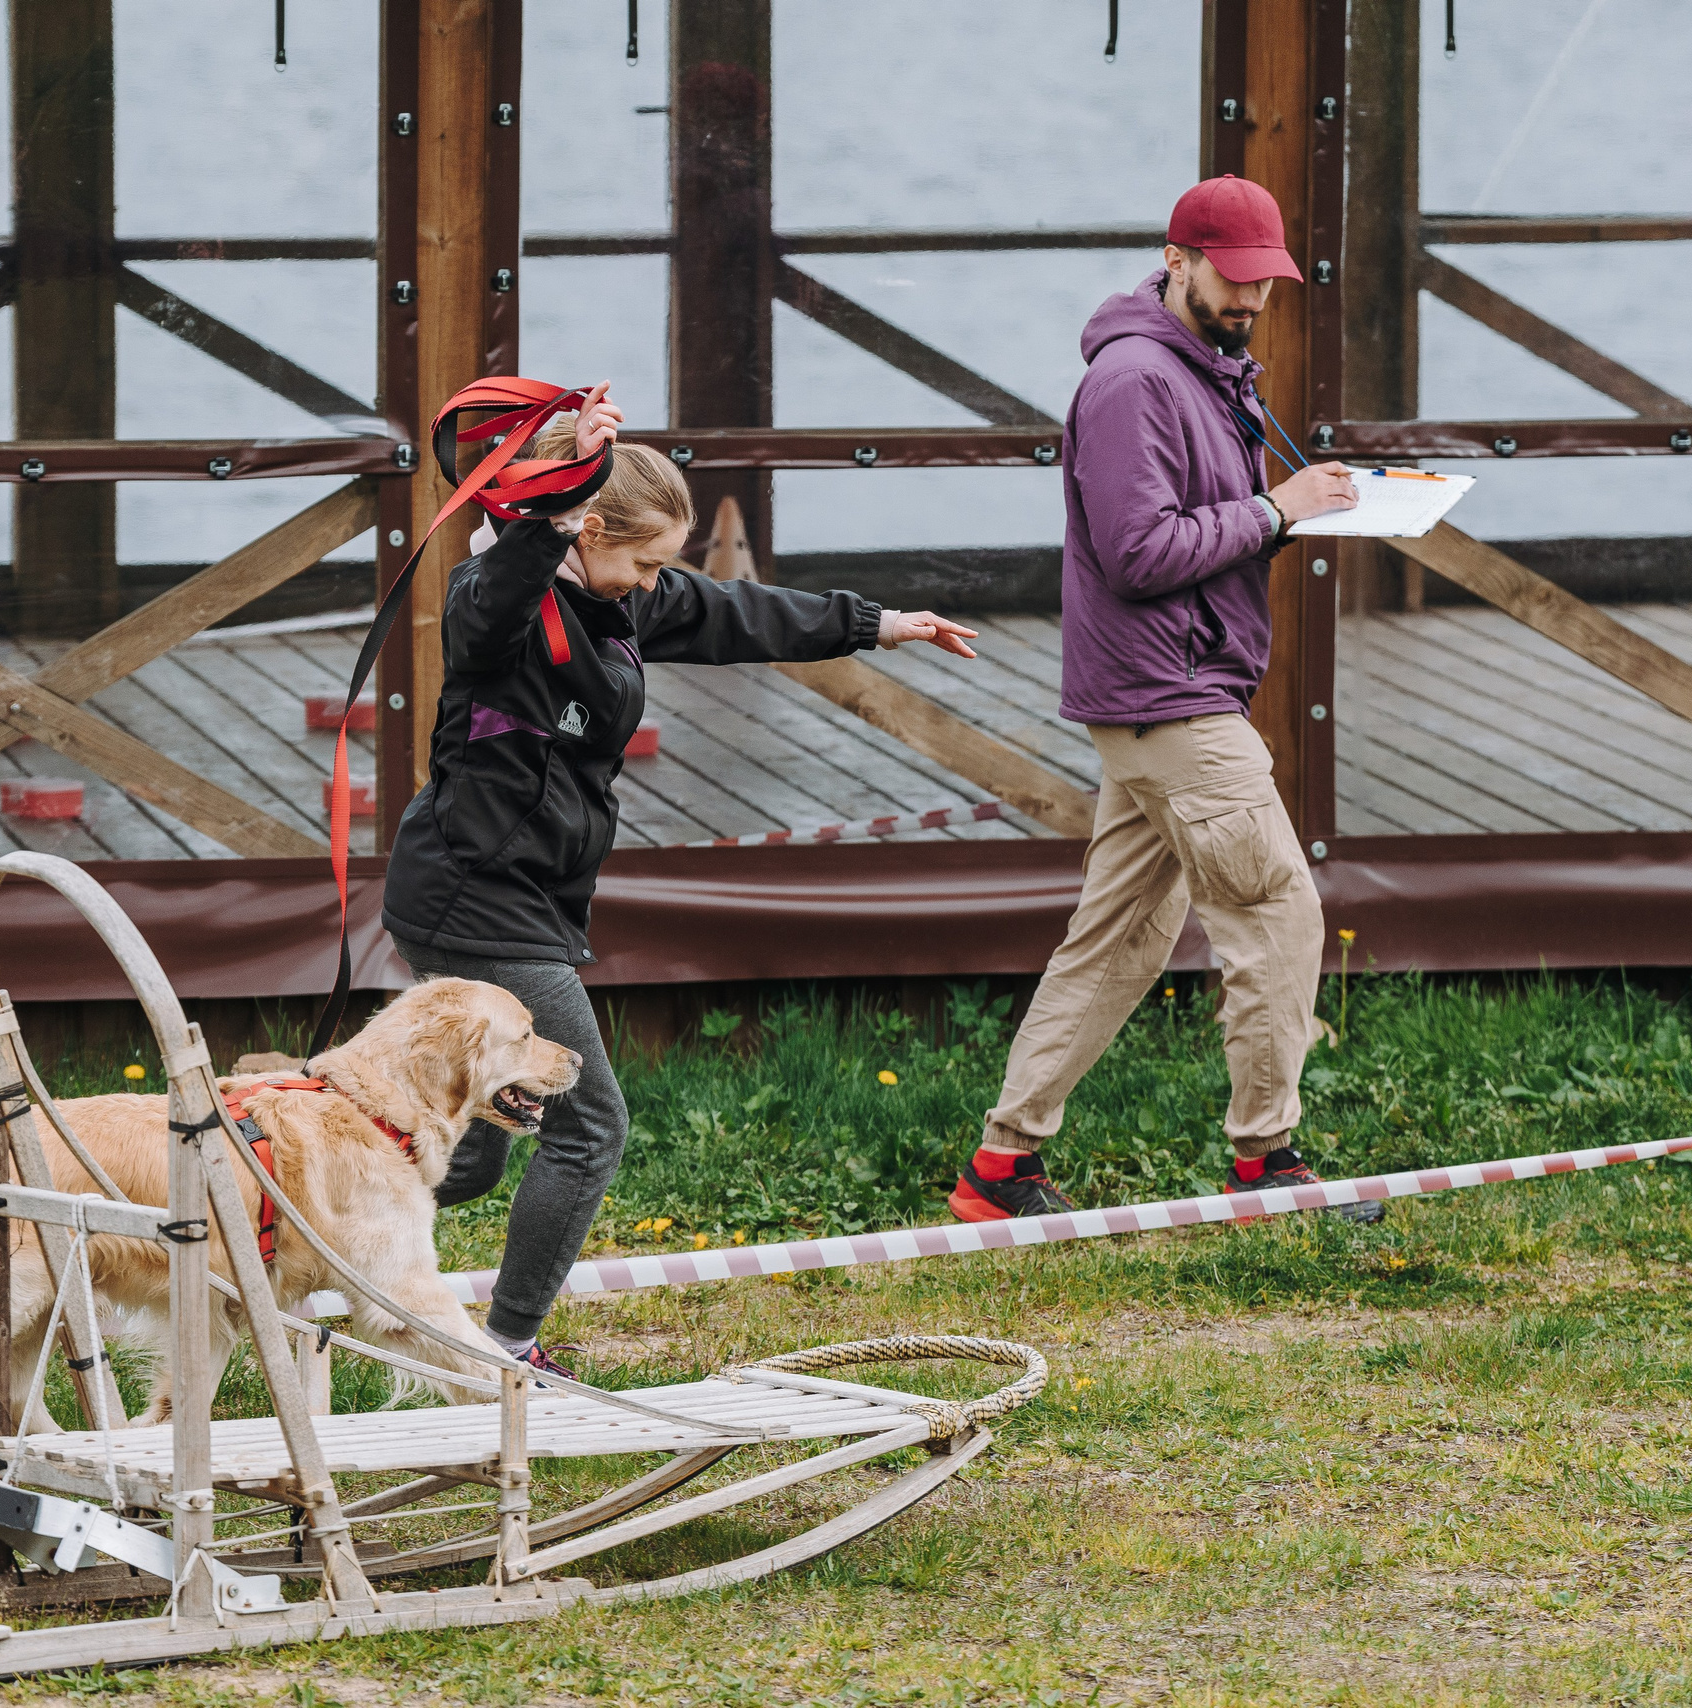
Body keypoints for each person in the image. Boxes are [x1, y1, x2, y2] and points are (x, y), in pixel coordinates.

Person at [383, 385, 983, 1374]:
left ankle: (288, 1209)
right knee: (586, 1126)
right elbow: (499, 602)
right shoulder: (503, 599)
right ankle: (501, 1353)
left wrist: (880, 623)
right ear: (581, 531)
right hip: (477, 901)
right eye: (642, 559)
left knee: (476, 1142)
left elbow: (739, 613)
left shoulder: (619, 598)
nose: (653, 582)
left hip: (514, 893)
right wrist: (555, 510)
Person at [953, 174, 1386, 1226]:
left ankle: (1000, 1170)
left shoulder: (1206, 366)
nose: (1248, 301)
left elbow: (1199, 519)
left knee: (1120, 938)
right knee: (1277, 915)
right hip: (1170, 693)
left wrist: (1292, 502)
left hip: (1163, 689)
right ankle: (1266, 1166)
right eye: (1232, 280)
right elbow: (1140, 553)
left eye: (1264, 284)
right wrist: (1276, 511)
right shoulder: (1133, 383)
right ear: (1177, 259)